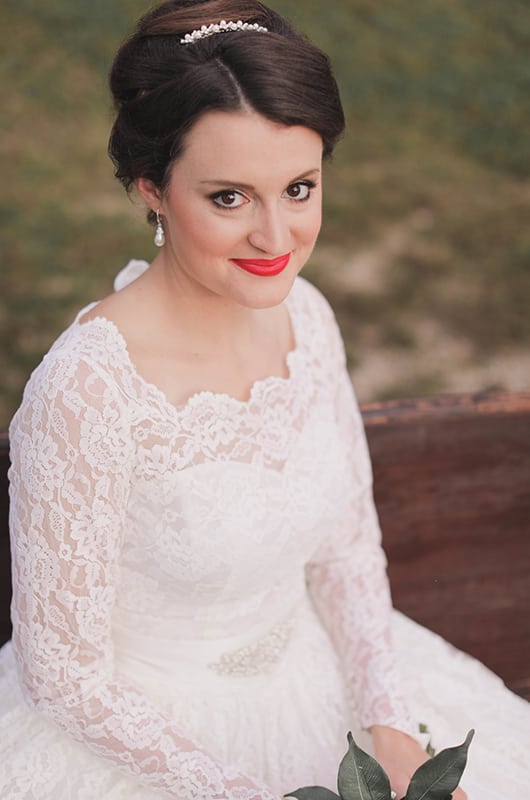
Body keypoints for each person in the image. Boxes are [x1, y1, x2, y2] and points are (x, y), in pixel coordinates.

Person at [0, 1, 528, 798]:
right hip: (142, 738)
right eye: (229, 198)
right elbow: (66, 681)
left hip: (315, 678)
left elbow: (346, 547)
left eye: (300, 188)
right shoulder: (86, 393)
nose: (277, 240)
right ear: (152, 188)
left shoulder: (306, 318)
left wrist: (388, 727)